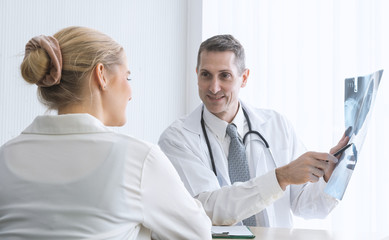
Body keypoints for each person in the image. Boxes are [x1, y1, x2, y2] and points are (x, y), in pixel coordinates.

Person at [0, 26, 211, 240]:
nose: (130, 93)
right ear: (101, 75)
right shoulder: (137, 160)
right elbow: (199, 234)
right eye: (127, 78)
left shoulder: (5, 156)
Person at [158, 34, 349, 228]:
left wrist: (328, 179)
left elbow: (306, 206)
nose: (214, 87)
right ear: (197, 75)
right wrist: (280, 178)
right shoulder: (177, 139)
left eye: (225, 75)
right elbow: (208, 210)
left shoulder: (277, 125)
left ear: (244, 78)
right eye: (206, 75)